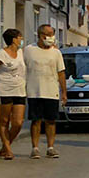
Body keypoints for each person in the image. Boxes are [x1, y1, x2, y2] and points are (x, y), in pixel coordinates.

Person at [24, 24, 67, 159]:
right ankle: (35, 148)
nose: (51, 38)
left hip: (51, 91)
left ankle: (50, 147)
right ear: (41, 36)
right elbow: (22, 68)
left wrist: (64, 92)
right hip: (34, 91)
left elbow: (61, 73)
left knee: (51, 121)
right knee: (36, 121)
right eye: (49, 35)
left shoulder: (56, 53)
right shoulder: (29, 50)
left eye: (52, 34)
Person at [0, 28, 26, 160]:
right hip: (4, 91)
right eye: (20, 37)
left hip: (19, 90)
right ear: (14, 39)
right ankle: (7, 149)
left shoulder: (20, 52)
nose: (21, 40)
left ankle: (5, 146)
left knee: (18, 122)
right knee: (4, 121)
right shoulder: (1, 54)